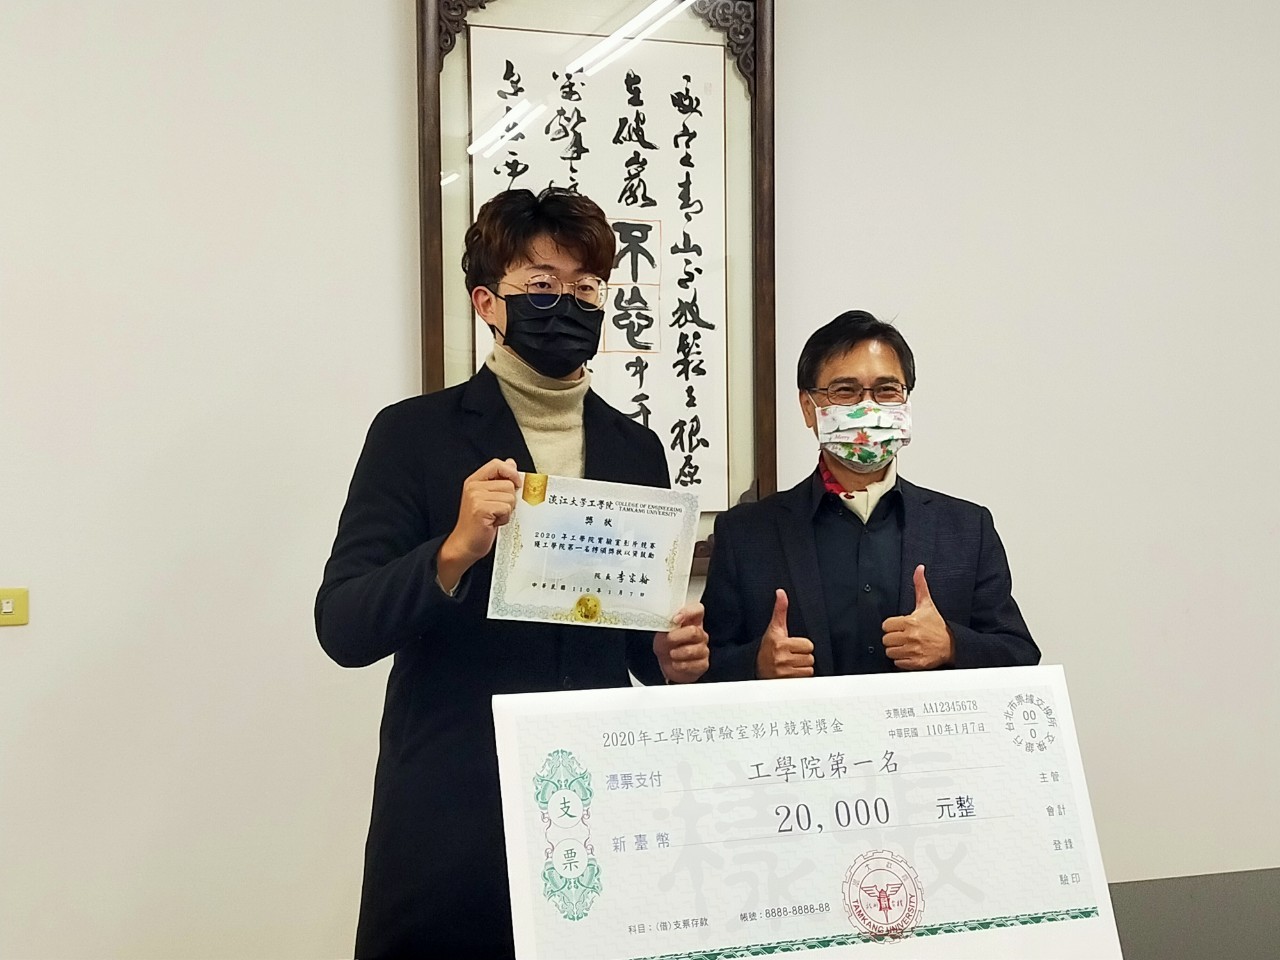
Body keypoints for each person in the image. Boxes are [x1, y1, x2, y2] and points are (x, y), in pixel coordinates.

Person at [315, 187, 708, 959]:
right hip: (454, 804)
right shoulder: (413, 435)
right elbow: (343, 626)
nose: (570, 304)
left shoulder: (636, 450)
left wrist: (666, 655)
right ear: (487, 302)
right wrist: (454, 549)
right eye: (542, 285)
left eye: (587, 288)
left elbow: (628, 639)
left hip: (592, 806)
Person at [699, 310, 1039, 683]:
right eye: (845, 391)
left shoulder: (967, 529)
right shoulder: (744, 533)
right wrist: (756, 664)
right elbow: (701, 668)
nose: (868, 407)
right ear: (809, 408)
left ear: (905, 401)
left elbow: (1020, 654)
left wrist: (951, 644)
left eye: (886, 390)